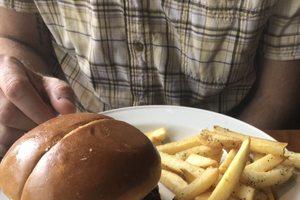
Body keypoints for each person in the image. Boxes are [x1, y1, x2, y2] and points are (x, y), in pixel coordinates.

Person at [0, 1, 299, 156]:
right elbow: (14, 37)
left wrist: (226, 163)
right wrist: (19, 85)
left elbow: (277, 97)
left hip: (228, 135)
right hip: (73, 138)